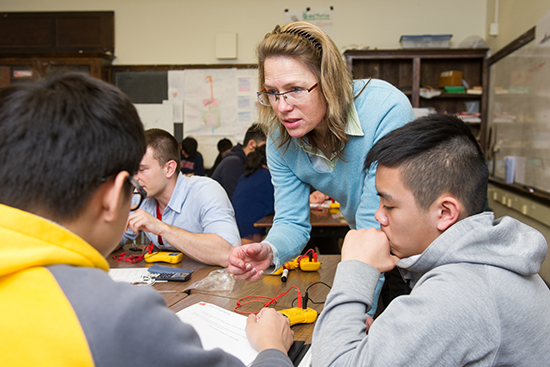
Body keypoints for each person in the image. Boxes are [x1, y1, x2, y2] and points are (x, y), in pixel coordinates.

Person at [0, 71, 294, 367]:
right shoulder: (116, 315)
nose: (138, 186)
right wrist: (272, 347)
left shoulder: (204, 191)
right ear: (114, 196)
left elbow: (228, 250)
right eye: (132, 180)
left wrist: (160, 227)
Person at [311, 113, 550, 366]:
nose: (378, 215)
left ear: (445, 213)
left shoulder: (459, 293)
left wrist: (357, 268)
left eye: (389, 205)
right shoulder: (485, 260)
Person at [227, 21, 414, 315]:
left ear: (329, 81)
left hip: (422, 249)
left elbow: (372, 219)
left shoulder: (383, 108)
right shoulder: (280, 138)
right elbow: (290, 221)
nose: (281, 107)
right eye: (272, 93)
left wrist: (345, 318)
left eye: (295, 90)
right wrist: (271, 250)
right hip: (370, 249)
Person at [122, 128, 241, 267]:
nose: (135, 178)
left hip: (208, 284)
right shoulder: (141, 197)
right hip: (168, 283)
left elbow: (228, 253)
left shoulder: (206, 191)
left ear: (169, 169)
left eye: (141, 170)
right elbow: (113, 241)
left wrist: (161, 228)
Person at [232, 144, 274, 244]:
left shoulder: (244, 176)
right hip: (253, 237)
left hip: (235, 234)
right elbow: (282, 205)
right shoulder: (270, 177)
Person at [212, 123, 267, 200]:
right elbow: (236, 199)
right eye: (264, 147)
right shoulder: (233, 163)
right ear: (251, 144)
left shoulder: (245, 162)